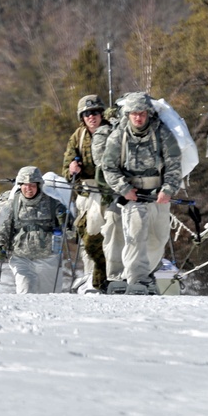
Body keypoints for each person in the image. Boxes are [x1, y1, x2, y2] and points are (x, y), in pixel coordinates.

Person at [100, 91, 182, 291]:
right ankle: (136, 278)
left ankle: (146, 272)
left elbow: (174, 164)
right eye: (134, 113)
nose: (138, 117)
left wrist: (168, 189)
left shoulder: (162, 133)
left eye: (142, 113)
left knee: (159, 238)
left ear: (148, 114)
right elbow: (108, 167)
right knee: (135, 236)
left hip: (158, 195)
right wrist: (124, 189)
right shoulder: (119, 136)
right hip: (133, 195)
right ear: (128, 114)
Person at [0, 166, 68, 294]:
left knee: (49, 297)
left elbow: (70, 232)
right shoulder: (11, 205)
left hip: (49, 258)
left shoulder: (53, 204)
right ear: (20, 185)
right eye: (25, 185)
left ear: (38, 185)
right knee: (25, 292)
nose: (28, 188)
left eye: (32, 185)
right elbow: (0, 230)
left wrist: (65, 220)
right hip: (21, 258)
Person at [62, 94, 109, 292]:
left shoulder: (112, 132)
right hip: (86, 195)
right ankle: (91, 277)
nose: (92, 117)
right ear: (82, 117)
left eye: (96, 112)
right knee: (87, 238)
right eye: (87, 113)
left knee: (110, 237)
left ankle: (111, 277)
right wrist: (72, 169)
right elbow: (65, 170)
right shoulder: (77, 137)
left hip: (110, 193)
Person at [92, 104, 125, 285]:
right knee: (113, 225)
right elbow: (101, 163)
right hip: (115, 192)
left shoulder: (146, 132)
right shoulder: (104, 133)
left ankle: (145, 273)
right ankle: (116, 276)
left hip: (146, 190)